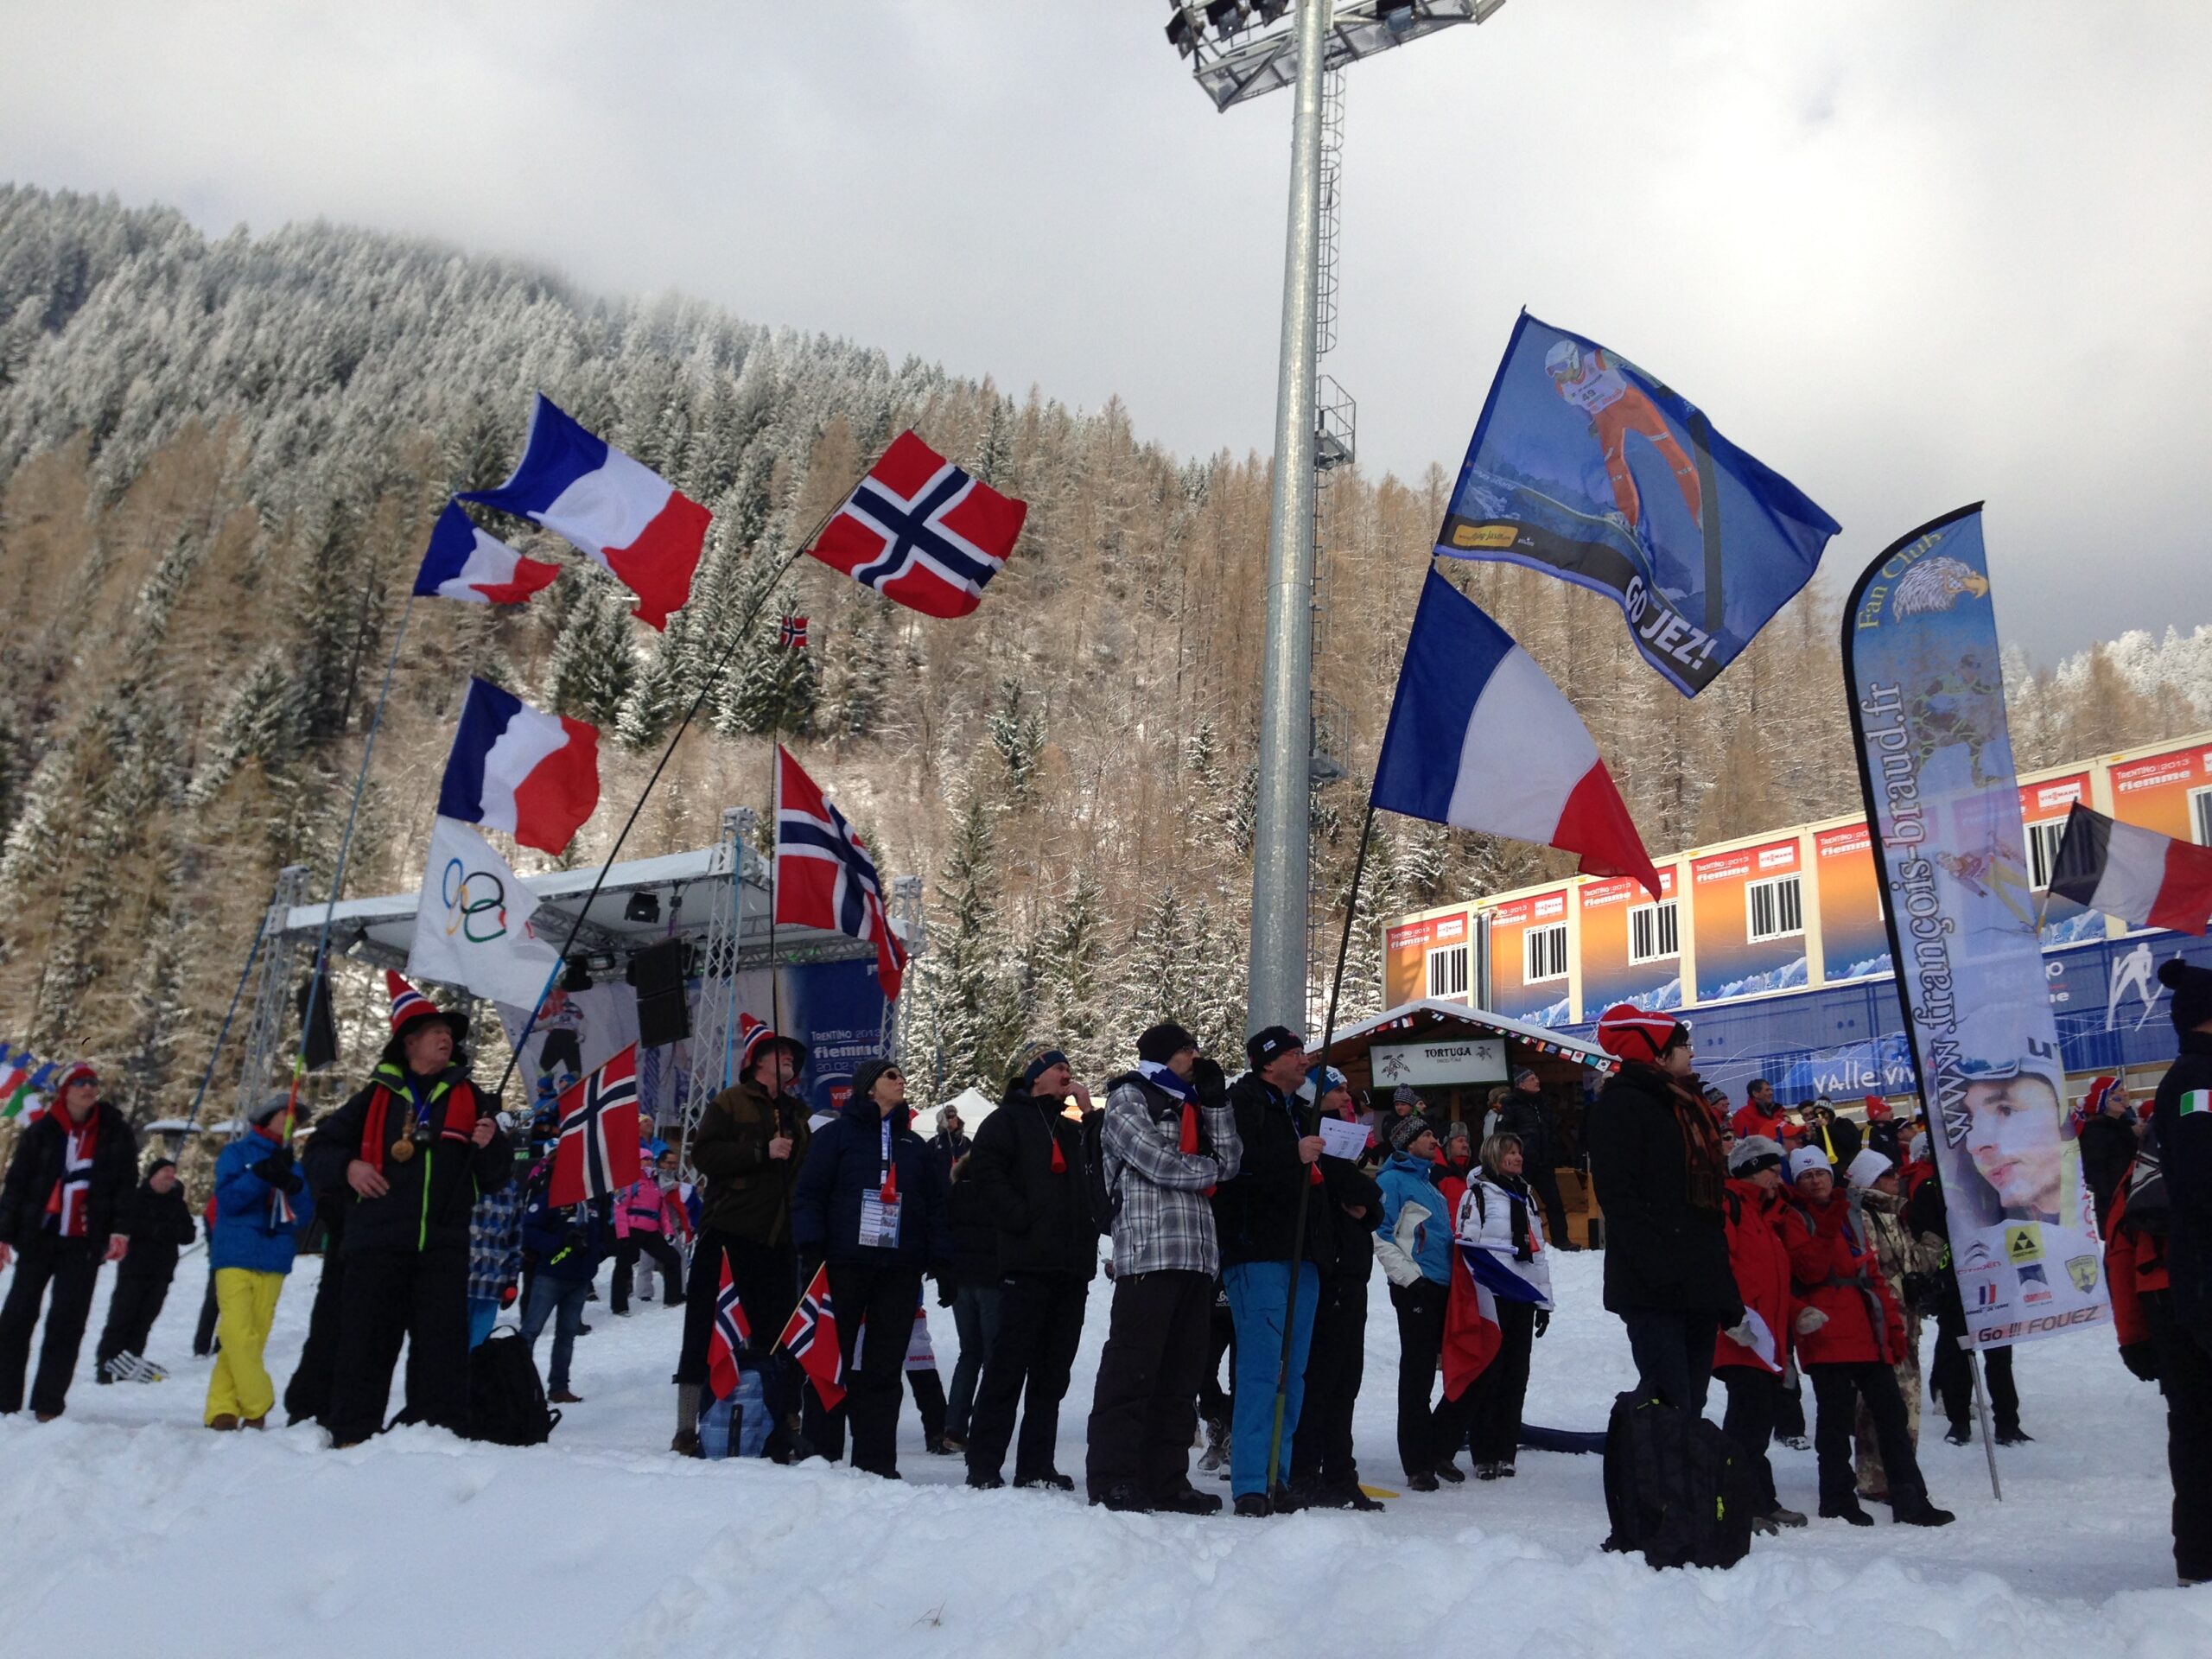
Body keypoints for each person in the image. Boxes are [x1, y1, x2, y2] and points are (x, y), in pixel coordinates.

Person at [303, 974, 512, 1447]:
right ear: (409, 1043)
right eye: (435, 1031)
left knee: (442, 1350)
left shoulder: (472, 1098)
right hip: (375, 1244)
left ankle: (437, 1437)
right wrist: (350, 1167)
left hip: (443, 1246)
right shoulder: (372, 1097)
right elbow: (317, 1153)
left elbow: (495, 1177)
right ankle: (353, 1435)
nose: (446, 1038)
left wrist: (491, 1145)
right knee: (365, 1346)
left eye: (449, 1032)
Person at [1084, 1020, 1241, 1515]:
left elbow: (1232, 1159)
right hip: (1148, 1253)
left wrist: (1216, 1104)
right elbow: (1156, 1162)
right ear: (1162, 1055)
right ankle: (1114, 1478)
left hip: (1197, 1255)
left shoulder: (1196, 1103)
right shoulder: (1129, 1097)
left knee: (1181, 1376)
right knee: (1132, 1370)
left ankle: (1166, 1481)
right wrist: (1211, 1171)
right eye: (1186, 1049)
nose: (1195, 1056)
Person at [790, 1058, 952, 1478]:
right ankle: (821, 1455)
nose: (901, 1081)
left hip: (899, 1268)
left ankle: (876, 1462)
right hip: (843, 1263)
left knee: (884, 1366)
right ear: (868, 1087)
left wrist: (941, 1258)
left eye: (901, 1075)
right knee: (830, 1359)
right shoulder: (836, 1136)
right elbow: (808, 1194)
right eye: (891, 1076)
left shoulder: (913, 1144)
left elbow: (936, 1206)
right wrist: (811, 1245)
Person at [1778, 1147, 1953, 1527]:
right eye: (1807, 1176)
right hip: (1826, 1330)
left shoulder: (1850, 1215)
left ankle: (1911, 1498)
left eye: (1820, 1173)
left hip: (1864, 1326)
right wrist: (1829, 1224)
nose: (1816, 1181)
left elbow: (1871, 1274)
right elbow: (1809, 1270)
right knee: (1835, 1420)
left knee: (1892, 1415)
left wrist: (1892, 1328)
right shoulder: (1795, 1217)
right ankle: (1837, 1497)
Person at [1583, 1006, 1738, 1413]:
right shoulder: (1622, 1106)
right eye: (1684, 1045)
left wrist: (1722, 1286)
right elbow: (1619, 1198)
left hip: (1698, 1283)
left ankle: (1679, 1459)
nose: (1692, 1053)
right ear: (1658, 1053)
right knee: (1670, 1403)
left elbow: (1706, 1211)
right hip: (1654, 1286)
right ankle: (1652, 1458)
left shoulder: (1688, 1106)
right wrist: (1658, 1269)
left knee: (1692, 1402)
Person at [674, 1020, 811, 1459]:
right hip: (728, 1236)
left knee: (779, 1334)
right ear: (756, 1062)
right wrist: (760, 1151)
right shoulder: (730, 1101)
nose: (788, 1058)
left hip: (779, 1243)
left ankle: (780, 1421)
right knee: (704, 1328)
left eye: (792, 1055)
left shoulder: (799, 1114)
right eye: (778, 1052)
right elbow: (704, 1155)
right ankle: (687, 1426)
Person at [963, 1041, 1096, 1492]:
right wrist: (1021, 1218)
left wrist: (1088, 1112)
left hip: (1070, 1268)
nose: (1067, 1073)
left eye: (1070, 1067)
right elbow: (986, 1175)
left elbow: (1103, 1165)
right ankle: (984, 1463)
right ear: (1036, 1076)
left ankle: (1036, 1465)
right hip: (1026, 1266)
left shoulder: (1072, 1129)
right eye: (1059, 1067)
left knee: (1052, 1375)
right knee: (1006, 1369)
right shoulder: (1004, 1122)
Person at [1212, 1025, 1327, 1516]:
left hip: (1302, 1254)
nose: (1305, 1060)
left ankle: (1277, 1476)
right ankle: (1251, 1483)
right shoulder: (1240, 1104)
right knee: (1261, 1372)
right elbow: (1231, 1166)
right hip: (1256, 1252)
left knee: (1293, 1374)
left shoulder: (1299, 1110)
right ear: (1268, 1061)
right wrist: (1291, 1155)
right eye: (1295, 1053)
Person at [0, 1061, 137, 1421]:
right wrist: (3, 1235)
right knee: (16, 1318)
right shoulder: (42, 1131)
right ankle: (4, 1400)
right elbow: (17, 1185)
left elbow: (125, 1186)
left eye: (92, 1082)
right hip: (38, 1237)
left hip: (84, 1242)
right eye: (79, 1083)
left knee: (67, 1322)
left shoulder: (115, 1133)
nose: (88, 1088)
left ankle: (48, 1404)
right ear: (64, 1091)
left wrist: (120, 1230)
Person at [1288, 1067, 1384, 1510]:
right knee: (1322, 1378)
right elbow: (1355, 1188)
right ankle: (1307, 1471)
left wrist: (1368, 1207)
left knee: (1347, 1379)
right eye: (1338, 1089)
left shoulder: (1343, 1143)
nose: (1347, 1097)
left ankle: (1341, 1472)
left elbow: (1370, 1204)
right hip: (1328, 1271)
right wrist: (1368, 1198)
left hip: (1352, 1270)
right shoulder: (1312, 1139)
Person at [2147, 957, 2212, 1584]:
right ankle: (2200, 1556)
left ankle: (2199, 1555)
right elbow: (2199, 1179)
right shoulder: (2196, 1080)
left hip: (2197, 1277)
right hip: (2203, 1281)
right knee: (2198, 1426)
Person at [205, 1096, 316, 1429]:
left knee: (255, 1335)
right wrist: (261, 1176)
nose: (291, 1121)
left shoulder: (293, 1164)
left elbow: (304, 1215)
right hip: (235, 1253)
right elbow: (228, 1200)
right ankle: (258, 1402)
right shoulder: (237, 1153)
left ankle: (223, 1408)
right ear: (267, 1117)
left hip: (273, 1257)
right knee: (237, 1332)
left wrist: (295, 1187)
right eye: (286, 1114)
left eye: (296, 1118)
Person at [1713, 1135, 1806, 1532]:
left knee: (1759, 1423)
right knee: (1746, 1424)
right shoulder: (1731, 1206)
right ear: (1751, 1171)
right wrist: (1733, 1318)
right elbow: (1721, 1267)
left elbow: (1773, 1283)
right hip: (1741, 1336)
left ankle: (1760, 1499)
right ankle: (1737, 1505)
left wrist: (1798, 1313)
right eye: (1772, 1170)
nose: (1778, 1178)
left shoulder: (1765, 1216)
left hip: (1766, 1342)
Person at [1842, 1148, 1945, 1505]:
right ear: (1870, 1180)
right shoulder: (1864, 1216)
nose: (1896, 1178)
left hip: (1903, 1323)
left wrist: (1934, 1240)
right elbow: (1873, 1270)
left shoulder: (1893, 1214)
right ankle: (1877, 1478)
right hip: (1883, 1324)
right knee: (1883, 1404)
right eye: (1887, 1174)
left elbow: (1911, 1263)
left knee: (1904, 1401)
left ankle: (1897, 1474)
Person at [1375, 1115, 1471, 1491]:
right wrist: (1409, 1279)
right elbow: (1380, 1233)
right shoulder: (1391, 1180)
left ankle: (1437, 1448)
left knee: (1458, 1367)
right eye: (1427, 1135)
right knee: (1417, 1375)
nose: (1435, 1140)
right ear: (1407, 1142)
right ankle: (1417, 1463)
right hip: (1416, 1286)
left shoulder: (1428, 1182)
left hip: (1444, 1286)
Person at [1907, 1166, 2025, 1447]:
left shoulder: (1996, 1185)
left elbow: (2017, 1222)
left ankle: (2008, 1423)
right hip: (1955, 1286)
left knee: (2000, 1355)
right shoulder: (1932, 1190)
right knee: (1957, 1356)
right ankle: (1958, 1422)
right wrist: (1935, 1279)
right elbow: (1922, 1236)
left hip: (1996, 1279)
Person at [1456, 1131, 1551, 1480]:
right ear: (1495, 1156)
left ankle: (1506, 1451)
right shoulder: (1478, 1194)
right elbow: (1467, 1247)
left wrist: (1544, 1301)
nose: (1517, 1158)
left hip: (1522, 1295)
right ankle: (1483, 1452)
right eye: (1510, 1152)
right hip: (1492, 1296)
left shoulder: (1526, 1196)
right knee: (1489, 1375)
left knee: (1516, 1375)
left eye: (1519, 1152)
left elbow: (1538, 1253)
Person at [96, 1156, 195, 1384]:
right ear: (153, 1175)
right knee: (121, 1317)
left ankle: (131, 1362)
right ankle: (106, 1362)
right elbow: (127, 1225)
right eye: (164, 1173)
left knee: (144, 1320)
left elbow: (189, 1234)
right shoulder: (136, 1198)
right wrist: (155, 1230)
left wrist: (167, 1231)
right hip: (134, 1268)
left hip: (162, 1271)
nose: (169, 1178)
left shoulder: (176, 1203)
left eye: (172, 1174)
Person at [517, 1178, 610, 1405]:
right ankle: (520, 1386)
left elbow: (601, 1231)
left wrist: (596, 1253)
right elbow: (528, 1229)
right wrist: (558, 1243)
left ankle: (559, 1387)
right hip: (551, 1275)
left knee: (567, 1334)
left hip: (579, 1278)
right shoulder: (552, 1197)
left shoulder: (592, 1203)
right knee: (531, 1331)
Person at [941, 1151, 1001, 1452]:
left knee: (968, 1354)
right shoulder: (997, 1192)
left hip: (961, 1280)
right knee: (993, 1355)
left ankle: (954, 1426)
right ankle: (984, 1424)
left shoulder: (954, 1193)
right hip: (991, 1280)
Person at [1497, 1066, 1572, 1246]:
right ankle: (1521, 1240)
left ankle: (1562, 1241)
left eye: (1536, 1077)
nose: (1537, 1081)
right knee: (1519, 1202)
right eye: (1531, 1079)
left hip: (1544, 1162)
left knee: (1555, 1203)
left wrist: (1555, 1153)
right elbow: (1502, 1135)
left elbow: (1552, 1131)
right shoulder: (1511, 1105)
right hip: (1523, 1163)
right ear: (1521, 1084)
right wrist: (1512, 1156)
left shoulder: (1543, 1104)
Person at [611, 1149, 688, 1315]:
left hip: (651, 1229)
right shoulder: (629, 1182)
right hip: (633, 1228)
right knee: (624, 1265)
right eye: (645, 1159)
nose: (649, 1162)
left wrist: (668, 1232)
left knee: (672, 1258)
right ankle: (619, 1306)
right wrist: (623, 1233)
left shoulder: (653, 1183)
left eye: (651, 1159)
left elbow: (663, 1212)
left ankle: (673, 1298)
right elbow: (620, 1208)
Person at [466, 1154, 526, 1350]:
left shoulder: (511, 1189)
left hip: (492, 1284)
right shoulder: (462, 1179)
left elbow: (516, 1238)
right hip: (457, 1280)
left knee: (478, 1349)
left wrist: (512, 1280)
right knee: (450, 1348)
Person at [2076, 1076, 2139, 1236]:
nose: (2125, 1094)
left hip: (2132, 1199)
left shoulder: (2124, 1126)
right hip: (2115, 1205)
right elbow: (2097, 1175)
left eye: (2124, 1090)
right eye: (2119, 1092)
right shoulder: (2095, 1133)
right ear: (2106, 1099)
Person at [1730, 1077, 1789, 1144]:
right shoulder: (1743, 1114)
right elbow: (1745, 1143)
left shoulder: (1777, 1111)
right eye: (1767, 1090)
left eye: (1771, 1090)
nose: (1771, 1093)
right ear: (1755, 1094)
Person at [931, 1104, 972, 1174]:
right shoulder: (935, 1142)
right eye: (950, 1117)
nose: (955, 1118)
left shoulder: (965, 1142)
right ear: (943, 1121)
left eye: (955, 1115)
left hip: (960, 1180)